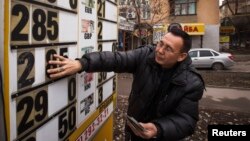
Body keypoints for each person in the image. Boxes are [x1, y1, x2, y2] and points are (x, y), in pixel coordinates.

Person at [47, 28, 205, 141]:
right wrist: (82, 64)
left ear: (181, 56)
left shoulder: (191, 82)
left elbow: (187, 121)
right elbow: (116, 59)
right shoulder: (146, 56)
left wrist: (158, 129)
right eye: (160, 43)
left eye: (168, 48)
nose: (160, 50)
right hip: (133, 132)